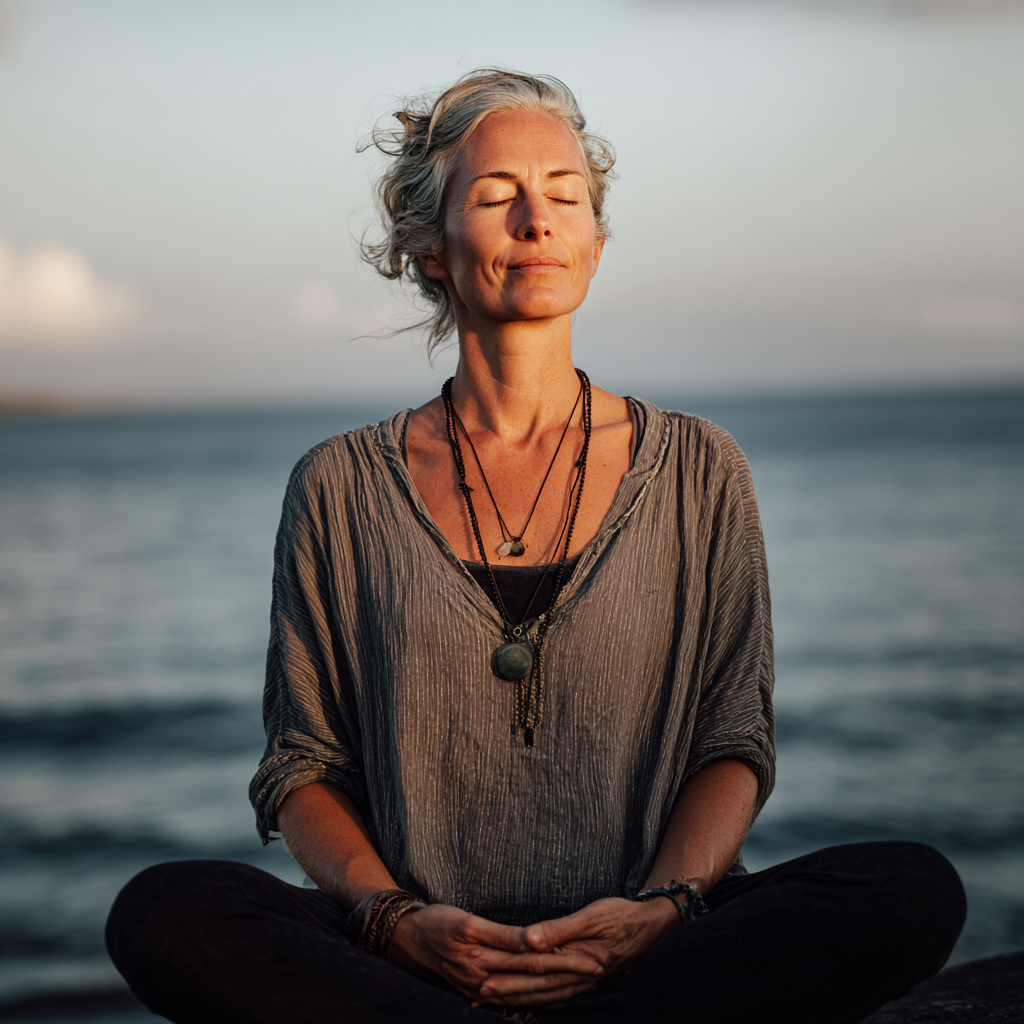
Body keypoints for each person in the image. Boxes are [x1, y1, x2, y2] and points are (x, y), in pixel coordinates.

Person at [106, 69, 965, 1024]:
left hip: (649, 944)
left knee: (910, 887)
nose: (536, 221)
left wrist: (656, 912)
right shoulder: (338, 487)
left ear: (596, 244)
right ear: (428, 247)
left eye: (564, 196)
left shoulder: (699, 469)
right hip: (415, 956)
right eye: (494, 196)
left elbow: (733, 736)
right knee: (162, 912)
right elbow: (303, 763)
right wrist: (395, 921)